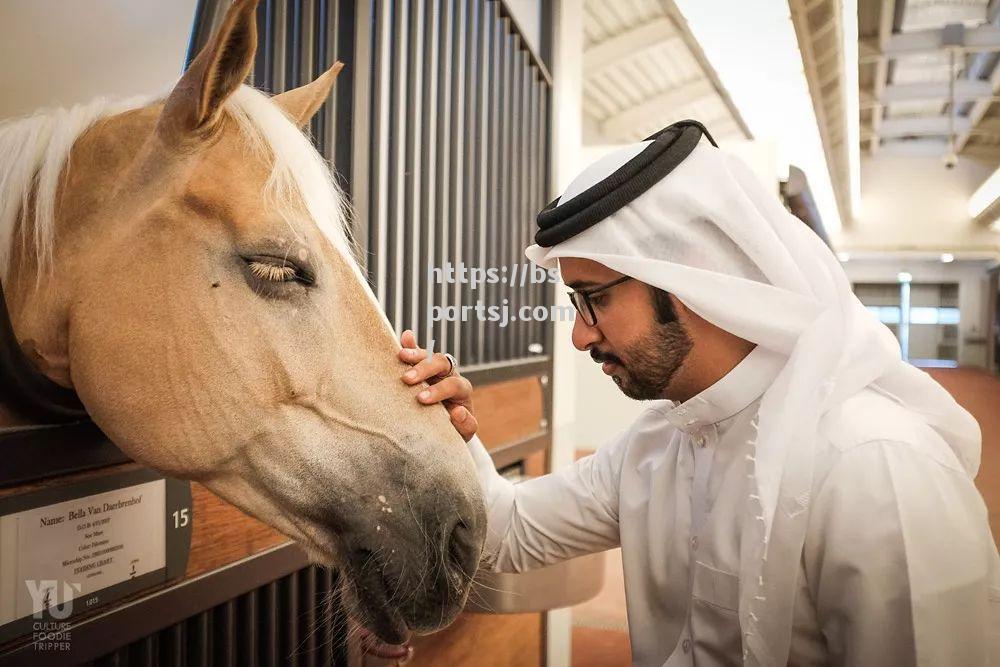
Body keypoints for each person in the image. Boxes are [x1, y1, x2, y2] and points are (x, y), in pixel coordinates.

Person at [398, 120, 1000, 666]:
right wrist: (444, 424)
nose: (581, 336)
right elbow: (509, 532)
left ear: (684, 277)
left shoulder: (874, 463)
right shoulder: (658, 441)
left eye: (595, 299)